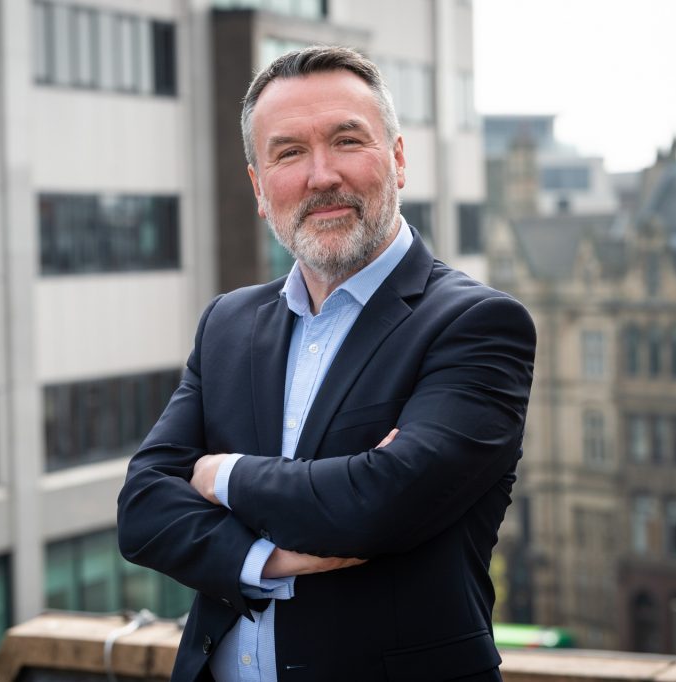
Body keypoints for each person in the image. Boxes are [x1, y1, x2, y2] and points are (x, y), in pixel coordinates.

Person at [117, 45, 535, 682]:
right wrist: (266, 559)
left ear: (397, 159)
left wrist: (220, 474)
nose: (321, 176)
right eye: (288, 153)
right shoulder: (227, 324)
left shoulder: (476, 324)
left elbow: (379, 503)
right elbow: (143, 509)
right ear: (259, 188)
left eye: (346, 141)